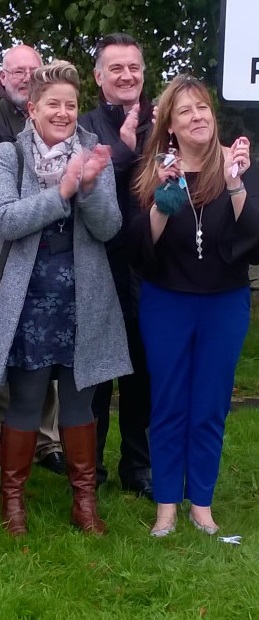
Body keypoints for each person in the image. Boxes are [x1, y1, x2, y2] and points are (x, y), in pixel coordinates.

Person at [129, 75, 259, 537]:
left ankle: (201, 505)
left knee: (210, 404)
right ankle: (166, 505)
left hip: (224, 304)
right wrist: (162, 205)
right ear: (170, 123)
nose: (197, 117)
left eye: (203, 108)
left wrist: (234, 184)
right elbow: (139, 250)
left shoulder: (237, 165)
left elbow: (254, 240)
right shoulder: (153, 171)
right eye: (185, 110)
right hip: (167, 303)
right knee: (168, 402)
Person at [0, 61, 132, 534]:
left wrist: (91, 185)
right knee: (26, 400)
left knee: (80, 403)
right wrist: (64, 190)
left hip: (84, 296)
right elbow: (7, 222)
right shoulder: (9, 157)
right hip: (29, 300)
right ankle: (12, 502)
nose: (62, 112)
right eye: (52, 104)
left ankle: (85, 504)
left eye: (70, 105)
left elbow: (109, 227)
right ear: (32, 109)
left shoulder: (94, 154)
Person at [80, 33, 155, 499]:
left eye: (134, 68)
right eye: (116, 69)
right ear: (99, 77)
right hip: (98, 268)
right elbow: (94, 194)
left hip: (150, 269)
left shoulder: (162, 125)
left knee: (142, 378)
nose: (127, 76)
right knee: (94, 383)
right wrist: (125, 152)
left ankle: (138, 469)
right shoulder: (85, 128)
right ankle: (88, 474)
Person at [0, 44, 68, 476]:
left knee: (40, 354)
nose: (25, 76)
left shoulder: (56, 123)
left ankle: (46, 442)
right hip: (8, 242)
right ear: (2, 76)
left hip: (41, 254)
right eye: (17, 70)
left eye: (32, 69)